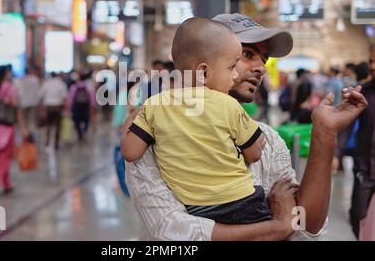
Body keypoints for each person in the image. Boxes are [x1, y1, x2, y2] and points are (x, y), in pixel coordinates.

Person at [125, 13, 368, 240]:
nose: (261, 67)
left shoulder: (268, 140)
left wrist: (324, 134)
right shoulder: (154, 133)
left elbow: (305, 228)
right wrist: (277, 227)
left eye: (264, 59)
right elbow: (172, 230)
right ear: (205, 64)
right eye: (247, 54)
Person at [122, 18, 269, 224]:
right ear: (203, 72)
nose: (235, 75)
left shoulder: (154, 105)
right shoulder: (228, 105)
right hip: (243, 204)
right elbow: (253, 155)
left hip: (192, 210)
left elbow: (130, 152)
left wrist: (133, 120)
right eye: (231, 67)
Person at [0, 65, 27, 196]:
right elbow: (16, 108)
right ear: (5, 74)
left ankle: (6, 184)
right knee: (7, 155)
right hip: (8, 126)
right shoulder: (10, 88)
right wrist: (22, 127)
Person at [350, 45, 375, 238]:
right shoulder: (364, 92)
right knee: (358, 215)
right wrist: (336, 153)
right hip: (365, 170)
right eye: (371, 61)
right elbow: (348, 126)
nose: (372, 66)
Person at [39, 72, 68, 150]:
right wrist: (66, 109)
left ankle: (47, 143)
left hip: (48, 106)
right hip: (58, 106)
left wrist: (42, 110)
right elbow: (65, 98)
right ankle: (56, 144)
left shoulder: (46, 84)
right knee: (58, 126)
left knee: (48, 125)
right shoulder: (61, 84)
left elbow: (41, 97)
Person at [66, 72, 95, 141]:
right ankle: (84, 130)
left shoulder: (74, 87)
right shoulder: (87, 87)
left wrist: (69, 107)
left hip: (76, 107)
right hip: (85, 106)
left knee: (77, 120)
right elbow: (91, 98)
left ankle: (79, 133)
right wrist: (92, 106)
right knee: (86, 119)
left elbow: (70, 98)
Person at [17, 66, 41, 138]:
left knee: (24, 120)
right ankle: (31, 133)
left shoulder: (20, 80)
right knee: (31, 119)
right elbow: (38, 91)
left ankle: (25, 134)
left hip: (23, 102)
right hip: (33, 102)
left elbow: (19, 92)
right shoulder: (35, 79)